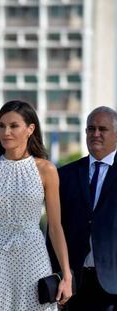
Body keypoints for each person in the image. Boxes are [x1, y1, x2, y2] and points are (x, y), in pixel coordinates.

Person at [0, 100, 73, 310]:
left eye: (14, 126)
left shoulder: (46, 170)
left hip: (33, 257)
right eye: (2, 125)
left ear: (30, 129)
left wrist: (66, 275)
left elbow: (55, 227)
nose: (6, 132)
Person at [48, 106, 117, 310]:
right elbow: (54, 228)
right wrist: (56, 276)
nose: (95, 134)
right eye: (90, 129)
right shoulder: (65, 175)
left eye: (102, 129)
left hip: (113, 284)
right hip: (73, 284)